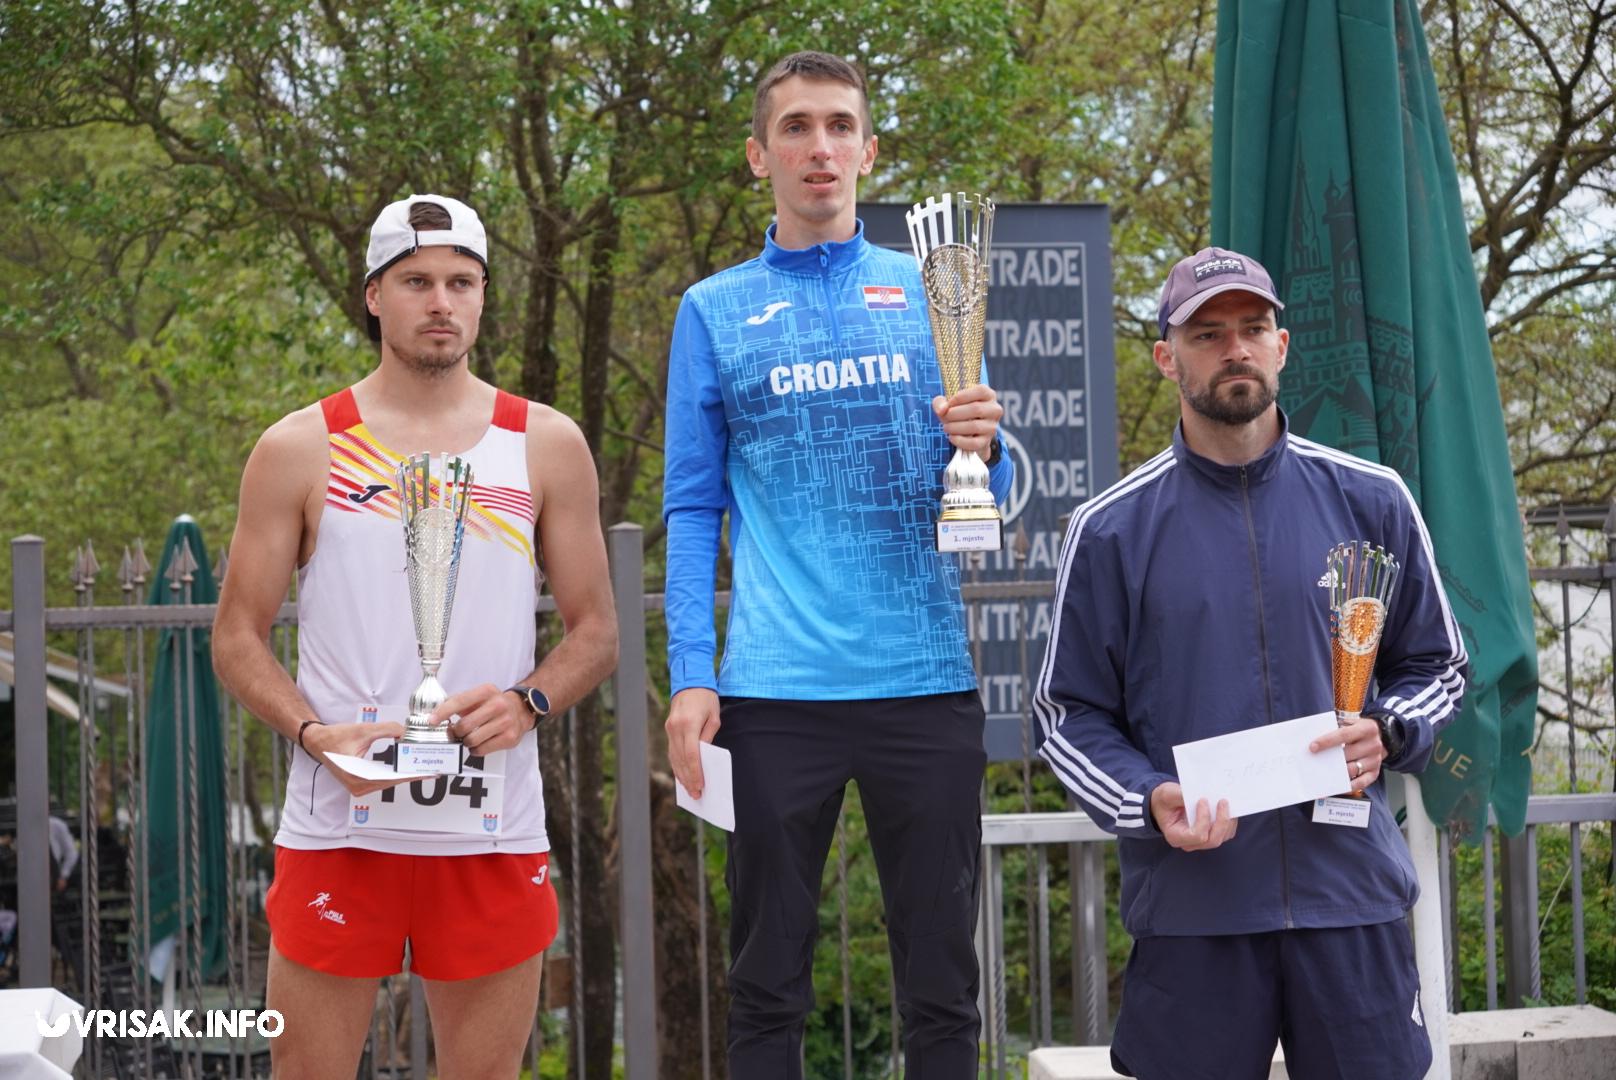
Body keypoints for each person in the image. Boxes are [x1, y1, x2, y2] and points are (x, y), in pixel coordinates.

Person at [1033, 246, 1469, 1079]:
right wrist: (1146, 797)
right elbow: (1065, 718)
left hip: (1351, 899)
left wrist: (1389, 728)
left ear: (1282, 344)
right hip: (1194, 910)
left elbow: (1438, 663)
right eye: (1206, 333)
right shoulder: (1112, 529)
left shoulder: (1372, 497)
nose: (1233, 347)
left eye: (1251, 328)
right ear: (1167, 357)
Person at [661, 51, 1015, 1078]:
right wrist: (693, 673)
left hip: (925, 680)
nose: (818, 148)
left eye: (838, 126)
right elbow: (690, 507)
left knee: (944, 988)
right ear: (757, 155)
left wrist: (990, 451)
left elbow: (983, 485)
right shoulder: (712, 309)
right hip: (774, 691)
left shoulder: (936, 289)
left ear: (869, 149)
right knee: (765, 984)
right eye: (796, 127)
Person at [214, 194, 618, 1078]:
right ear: (374, 295)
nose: (441, 301)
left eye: (461, 283)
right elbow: (237, 637)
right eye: (417, 281)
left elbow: (595, 632)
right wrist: (316, 734)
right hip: (338, 830)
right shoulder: (301, 446)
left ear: (483, 296)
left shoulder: (543, 443)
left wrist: (527, 702)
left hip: (490, 829)